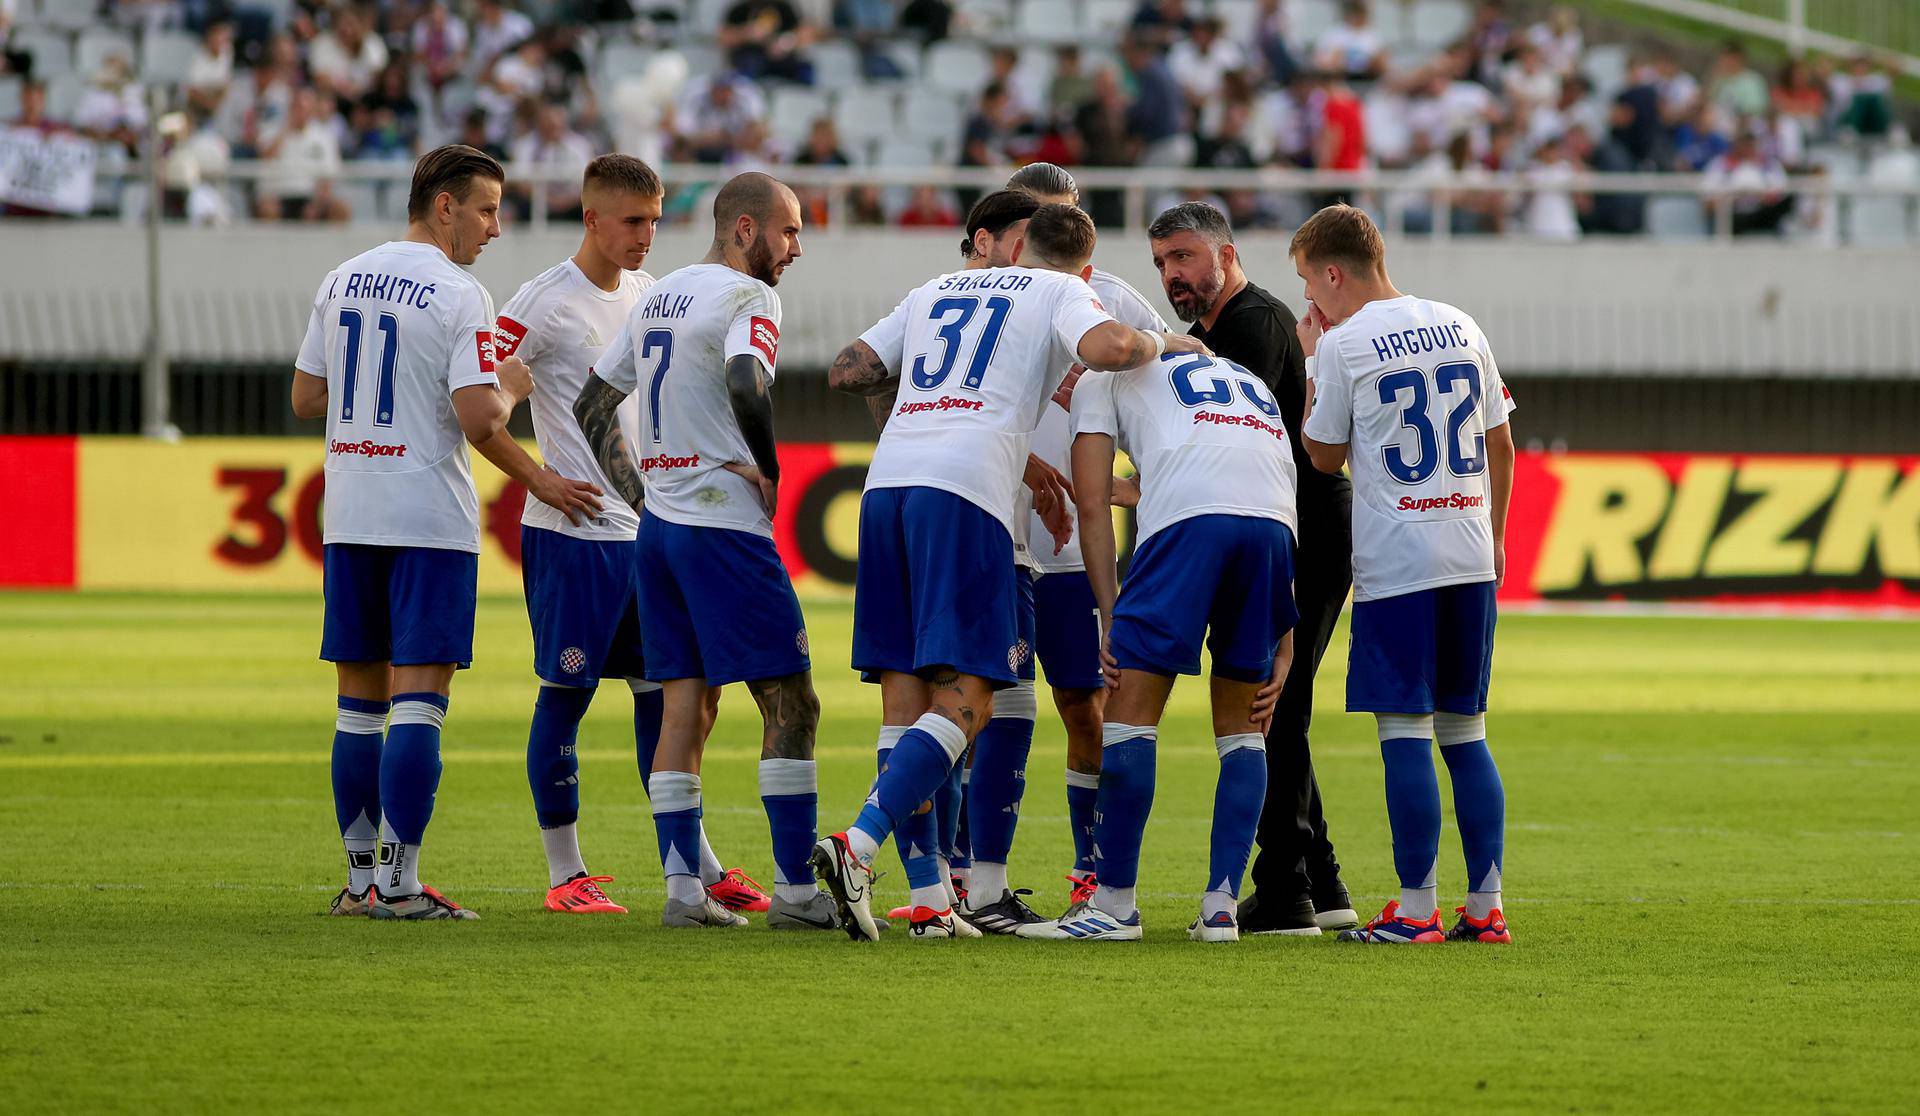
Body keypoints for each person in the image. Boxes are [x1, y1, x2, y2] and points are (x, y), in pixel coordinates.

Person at [813, 203, 1208, 941]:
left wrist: (934, 405)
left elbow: (849, 369)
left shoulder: (935, 288)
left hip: (885, 489)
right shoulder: (1058, 291)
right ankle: (857, 844)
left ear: (1015, 243)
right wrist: (1163, 340)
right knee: (971, 703)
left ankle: (930, 899)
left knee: (907, 697)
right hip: (966, 495)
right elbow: (1108, 346)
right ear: (1081, 265)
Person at [292, 145, 602, 921]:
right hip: (427, 517)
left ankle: (360, 880)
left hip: (352, 510)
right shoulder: (459, 292)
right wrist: (511, 387)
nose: (495, 228)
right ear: (444, 207)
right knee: (420, 700)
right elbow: (479, 418)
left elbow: (305, 396)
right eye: (488, 209)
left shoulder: (341, 278)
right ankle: (401, 884)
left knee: (357, 702)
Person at [493, 154, 770, 917]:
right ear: (591, 218)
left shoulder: (652, 294)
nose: (647, 235)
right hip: (573, 535)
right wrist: (537, 474)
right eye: (632, 222)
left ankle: (695, 866)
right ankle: (564, 874)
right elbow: (489, 395)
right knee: (567, 695)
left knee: (669, 695)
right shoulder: (545, 301)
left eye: (654, 221)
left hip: (649, 533)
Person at [574, 172, 838, 931]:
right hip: (724, 529)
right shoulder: (749, 298)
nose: (798, 247)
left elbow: (592, 403)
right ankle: (795, 892)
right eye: (788, 231)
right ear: (746, 230)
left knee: (684, 708)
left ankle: (684, 893)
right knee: (791, 701)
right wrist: (773, 469)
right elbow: (747, 385)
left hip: (660, 534)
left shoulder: (659, 293)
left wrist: (645, 497)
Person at [1019, 334, 1300, 944]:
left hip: (1188, 533)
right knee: (1244, 728)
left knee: (1128, 714)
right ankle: (1221, 908)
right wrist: (1285, 634)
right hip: (1273, 532)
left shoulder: (1099, 380)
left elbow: (1091, 505)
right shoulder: (1240, 377)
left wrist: (1109, 612)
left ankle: (1113, 905)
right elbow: (1266, 481)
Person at [1290, 204, 1515, 945]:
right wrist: (1497, 536)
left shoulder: (1343, 343)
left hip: (1400, 558)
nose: (1308, 303)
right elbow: (1502, 444)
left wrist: (1312, 364)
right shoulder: (1460, 323)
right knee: (1468, 732)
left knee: (1406, 733)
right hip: (1469, 547)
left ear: (1332, 272)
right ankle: (1485, 908)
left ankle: (1415, 909)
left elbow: (1321, 457)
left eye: (1308, 284)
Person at [1146, 201, 1356, 935]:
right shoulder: (1213, 332)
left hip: (1301, 526)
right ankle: (1320, 885)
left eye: (1182, 257)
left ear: (1224, 255)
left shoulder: (1254, 325)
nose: (1172, 275)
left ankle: (1287, 891)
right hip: (1281, 525)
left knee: (1273, 706)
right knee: (1281, 706)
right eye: (1163, 263)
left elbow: (1238, 444)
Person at [1005, 162, 1168, 920]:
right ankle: (974, 878)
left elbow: (1166, 397)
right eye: (1031, 220)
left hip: (1073, 550)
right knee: (977, 704)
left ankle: (1087, 869)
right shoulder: (975, 292)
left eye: (1057, 219)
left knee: (1082, 707)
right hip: (995, 529)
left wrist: (1133, 488)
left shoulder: (1120, 303)